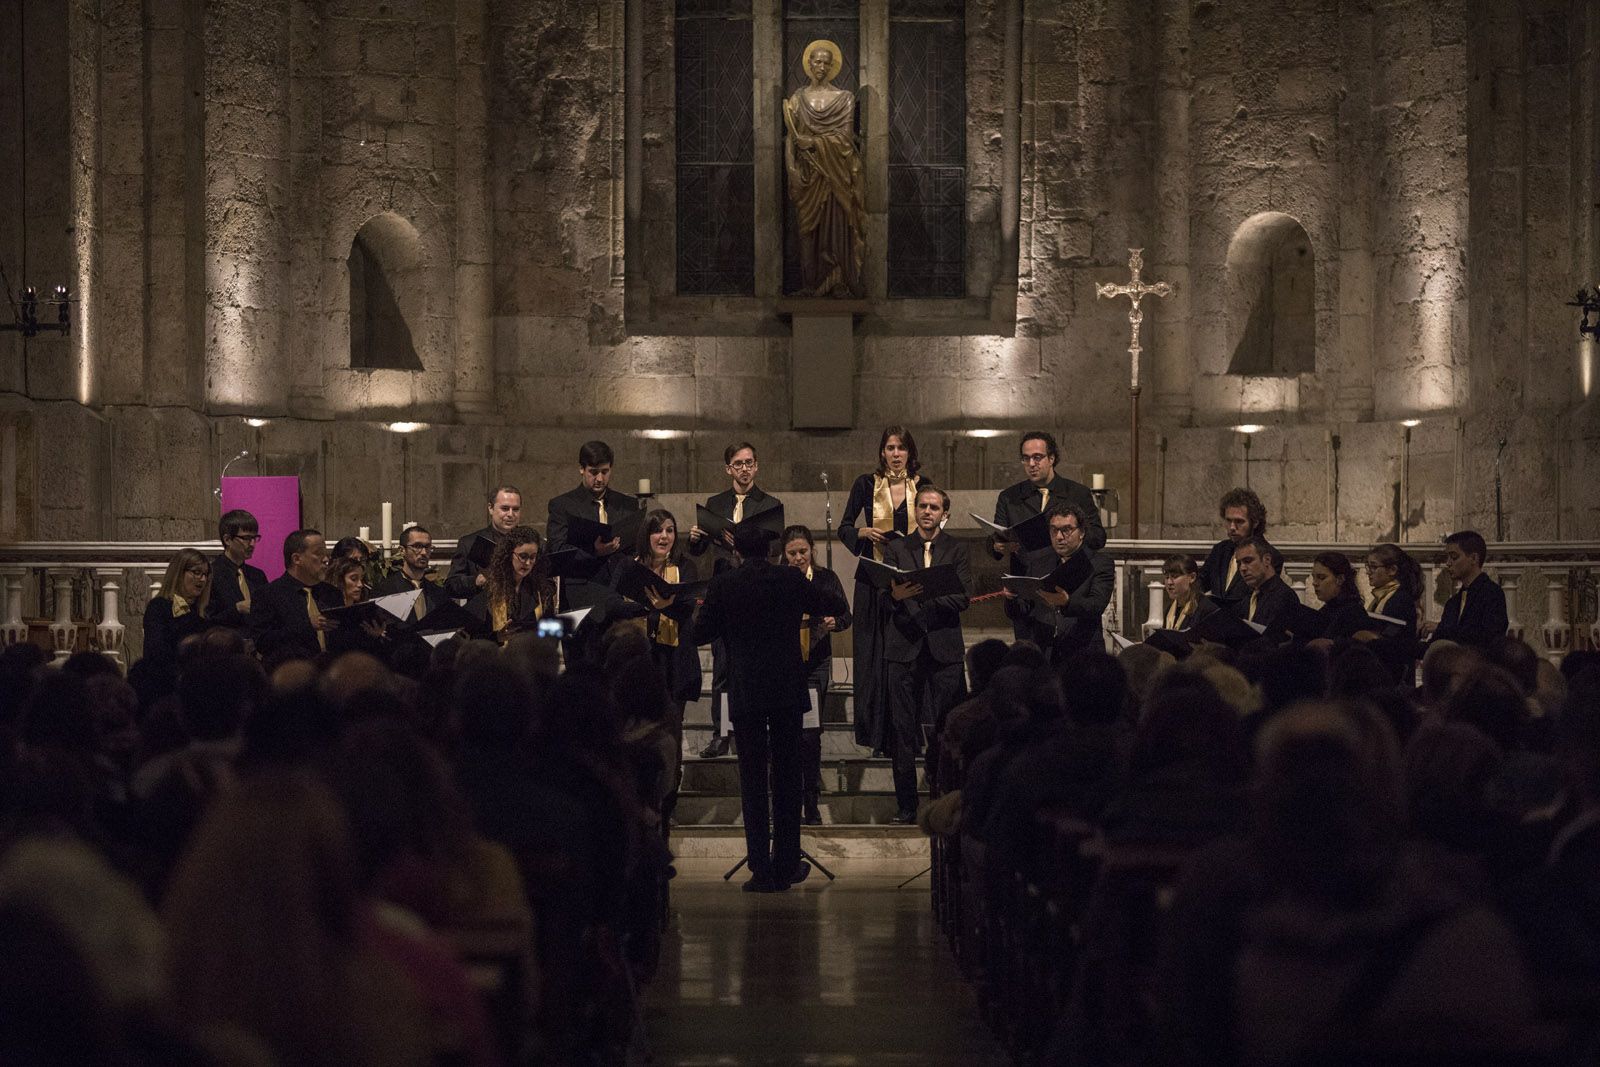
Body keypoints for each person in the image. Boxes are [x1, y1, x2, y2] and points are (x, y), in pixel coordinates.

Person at [696, 525, 848, 892]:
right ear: (771, 550)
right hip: (785, 687)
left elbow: (700, 634)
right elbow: (833, 605)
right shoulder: (790, 579)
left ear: (737, 553)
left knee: (751, 781)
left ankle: (760, 869)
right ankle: (786, 864)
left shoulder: (725, 584)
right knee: (787, 778)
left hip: (746, 689)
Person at [882, 486, 972, 823]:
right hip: (904, 648)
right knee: (903, 731)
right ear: (914, 510)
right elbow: (885, 598)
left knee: (947, 728)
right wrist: (899, 596)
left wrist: (919, 594)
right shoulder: (896, 548)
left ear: (944, 513)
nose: (927, 512)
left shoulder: (956, 549)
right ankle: (906, 806)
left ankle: (946, 803)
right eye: (922, 506)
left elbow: (962, 597)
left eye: (934, 507)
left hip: (943, 649)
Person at [839, 425, 929, 756]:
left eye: (901, 448)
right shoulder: (865, 484)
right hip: (873, 579)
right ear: (882, 452)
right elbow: (844, 526)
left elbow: (932, 526)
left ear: (910, 453)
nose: (895, 454)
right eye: (890, 448)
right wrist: (861, 532)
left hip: (910, 579)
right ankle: (875, 735)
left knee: (908, 655)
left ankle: (910, 733)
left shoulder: (923, 486)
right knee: (873, 654)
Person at [690, 442, 782, 758]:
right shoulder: (715, 504)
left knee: (757, 666)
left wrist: (743, 540)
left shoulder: (770, 504)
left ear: (757, 466)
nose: (744, 469)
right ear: (728, 468)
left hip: (757, 595)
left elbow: (775, 550)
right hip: (725, 593)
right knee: (722, 668)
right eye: (738, 464)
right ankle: (721, 733)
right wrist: (696, 539)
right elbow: (700, 551)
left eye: (749, 463)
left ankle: (758, 729)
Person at [989, 431, 1105, 639]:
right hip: (1028, 594)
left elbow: (1098, 538)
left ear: (1052, 458)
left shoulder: (1076, 493)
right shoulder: (1010, 497)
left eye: (1037, 457)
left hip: (1068, 586)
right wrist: (997, 546)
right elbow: (996, 538)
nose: (1031, 464)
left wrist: (1069, 535)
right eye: (1026, 458)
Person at [783, 38, 866, 298]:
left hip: (835, 174)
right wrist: (791, 170)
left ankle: (837, 281)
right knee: (806, 230)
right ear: (808, 63)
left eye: (826, 63)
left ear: (832, 67)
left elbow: (845, 139)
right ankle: (809, 285)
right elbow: (790, 138)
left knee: (836, 228)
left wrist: (814, 142)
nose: (821, 66)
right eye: (816, 61)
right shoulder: (797, 99)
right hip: (807, 175)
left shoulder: (844, 99)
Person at [783, 525, 852, 825]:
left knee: (809, 736)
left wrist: (835, 622)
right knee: (786, 736)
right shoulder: (779, 579)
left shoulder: (825, 579)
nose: (798, 558)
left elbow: (846, 616)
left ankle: (810, 802)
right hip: (785, 666)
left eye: (803, 552)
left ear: (811, 550)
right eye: (792, 553)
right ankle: (787, 801)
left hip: (815, 666)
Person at [631, 509, 701, 778]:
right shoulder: (633, 567)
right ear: (646, 535)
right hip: (643, 662)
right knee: (642, 733)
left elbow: (686, 609)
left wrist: (663, 607)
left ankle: (669, 797)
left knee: (672, 733)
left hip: (674, 662)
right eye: (657, 530)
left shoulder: (685, 567)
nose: (664, 536)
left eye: (670, 530)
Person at [1004, 502, 1114, 664]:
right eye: (1054, 530)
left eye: (1067, 530)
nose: (1059, 537)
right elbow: (1022, 612)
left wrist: (1067, 602)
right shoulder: (1039, 564)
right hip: (1044, 655)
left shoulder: (1099, 563)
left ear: (1082, 532)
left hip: (1083, 654)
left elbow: (1096, 605)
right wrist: (1012, 597)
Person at [253, 529, 341, 660]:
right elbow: (263, 642)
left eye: (326, 554)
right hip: (289, 673)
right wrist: (307, 625)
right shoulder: (268, 594)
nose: (326, 559)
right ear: (296, 559)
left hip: (331, 673)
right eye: (318, 554)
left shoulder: (332, 593)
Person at [1421, 530, 1509, 648]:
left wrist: (1441, 628)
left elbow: (1488, 638)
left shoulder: (1492, 593)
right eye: (1448, 558)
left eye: (1454, 557)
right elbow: (1436, 644)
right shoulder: (1453, 603)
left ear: (1473, 558)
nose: (1448, 563)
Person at [468, 526, 556, 645]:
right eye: (523, 556)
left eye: (532, 557)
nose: (528, 563)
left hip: (532, 658)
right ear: (509, 554)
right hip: (497, 658)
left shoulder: (540, 589)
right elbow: (473, 636)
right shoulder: (491, 588)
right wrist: (496, 637)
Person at [444, 486, 523, 599]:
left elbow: (548, 583)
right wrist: (476, 581)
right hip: (483, 613)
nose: (510, 514)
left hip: (523, 612)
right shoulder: (469, 543)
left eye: (515, 509)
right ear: (491, 508)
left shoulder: (533, 543)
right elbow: (451, 586)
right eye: (505, 508)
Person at [1200, 487, 1269, 613]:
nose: (1232, 527)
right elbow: (1201, 583)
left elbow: (1260, 600)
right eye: (1228, 520)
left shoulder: (1268, 555)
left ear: (1255, 523)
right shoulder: (1220, 550)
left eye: (1239, 521)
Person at [1362, 542, 1423, 684]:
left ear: (1392, 570)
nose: (1368, 572)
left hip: (1394, 675)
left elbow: (1393, 639)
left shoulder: (1400, 599)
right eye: (1368, 566)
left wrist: (1368, 636)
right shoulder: (1381, 597)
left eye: (1374, 567)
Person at [142, 548, 212, 669]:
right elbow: (156, 653)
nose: (203, 579)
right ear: (178, 573)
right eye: (196, 572)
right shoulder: (159, 607)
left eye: (205, 574)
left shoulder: (204, 611)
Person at [206, 508, 268, 630]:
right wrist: (237, 609)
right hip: (225, 643)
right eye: (246, 538)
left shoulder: (258, 575)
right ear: (227, 539)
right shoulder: (211, 573)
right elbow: (206, 620)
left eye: (254, 538)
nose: (252, 544)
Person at [373, 525, 450, 622]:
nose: (424, 552)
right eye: (417, 546)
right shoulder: (386, 590)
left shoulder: (438, 593)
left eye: (427, 547)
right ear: (402, 550)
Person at [325, 556, 392, 658]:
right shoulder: (328, 612)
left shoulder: (364, 611)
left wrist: (377, 636)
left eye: (361, 579)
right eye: (354, 579)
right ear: (339, 580)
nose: (360, 585)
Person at [1233, 534, 1298, 637]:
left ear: (1267, 560)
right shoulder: (1247, 596)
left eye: (1248, 561)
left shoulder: (1284, 596)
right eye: (1239, 563)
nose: (1242, 568)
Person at [1308, 551, 1368, 642]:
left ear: (1340, 579)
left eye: (1321, 577)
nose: (1314, 583)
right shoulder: (1328, 608)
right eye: (1314, 577)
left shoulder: (1353, 613)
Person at [1158, 553, 1216, 632]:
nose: (1169, 582)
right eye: (1166, 577)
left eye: (1174, 576)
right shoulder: (1169, 609)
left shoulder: (1207, 610)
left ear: (1192, 577)